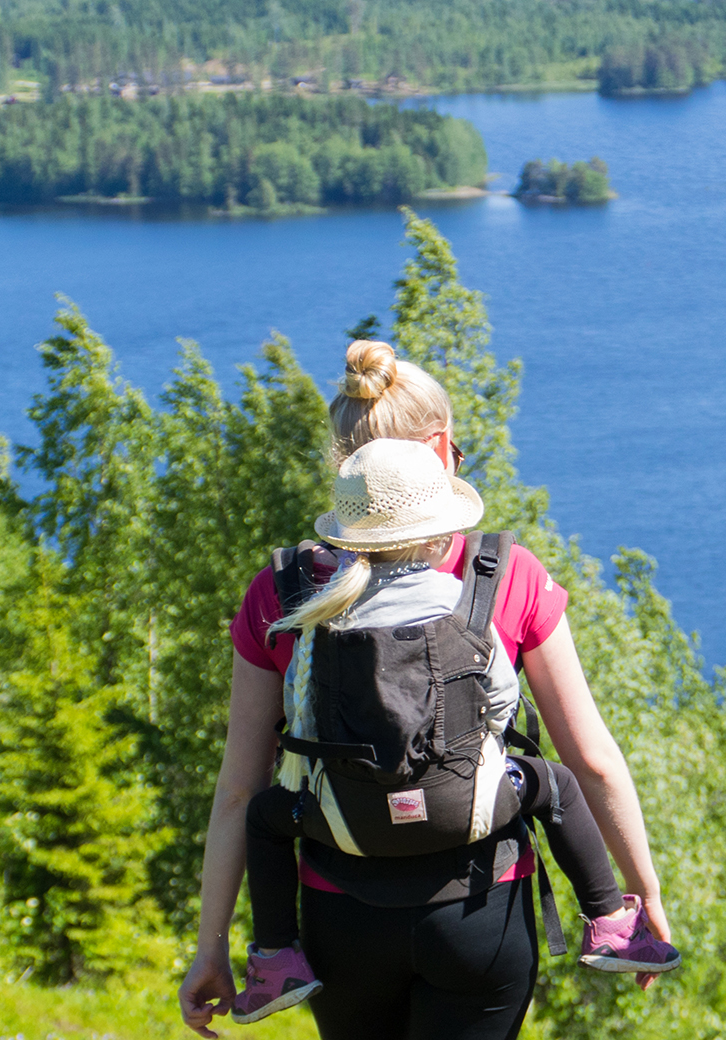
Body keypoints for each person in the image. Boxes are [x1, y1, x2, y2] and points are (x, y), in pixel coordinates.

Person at [179, 341, 678, 1040]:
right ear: (440, 450)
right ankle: (612, 929)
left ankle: (273, 959)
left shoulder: (283, 592)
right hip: (482, 911)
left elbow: (240, 791)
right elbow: (589, 759)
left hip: (338, 916)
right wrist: (642, 888)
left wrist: (210, 950)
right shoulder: (506, 576)